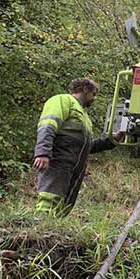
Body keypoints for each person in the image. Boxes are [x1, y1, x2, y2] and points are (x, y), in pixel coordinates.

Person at [33, 78, 115, 216]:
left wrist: (112, 140)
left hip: (74, 168)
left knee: (63, 205)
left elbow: (88, 146)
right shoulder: (62, 100)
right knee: (49, 198)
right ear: (85, 89)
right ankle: (38, 231)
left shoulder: (84, 116)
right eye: (93, 94)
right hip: (58, 161)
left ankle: (52, 232)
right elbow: (47, 126)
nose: (94, 98)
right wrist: (43, 153)